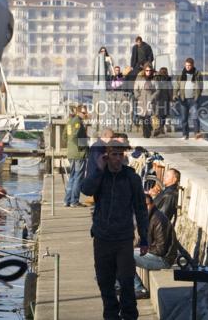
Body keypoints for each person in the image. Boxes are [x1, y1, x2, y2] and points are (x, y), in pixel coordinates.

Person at [81, 141, 149, 320]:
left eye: (121, 155)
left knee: (127, 282)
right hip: (102, 238)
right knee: (105, 282)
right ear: (106, 156)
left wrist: (144, 238)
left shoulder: (131, 178)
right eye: (114, 155)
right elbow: (86, 190)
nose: (118, 159)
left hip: (124, 239)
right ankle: (111, 316)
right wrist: (98, 169)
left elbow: (141, 208)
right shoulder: (100, 176)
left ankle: (130, 316)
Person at [133, 194, 178, 299]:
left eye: (146, 205)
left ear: (152, 204)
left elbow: (160, 250)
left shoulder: (158, 220)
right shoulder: (147, 218)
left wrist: (141, 249)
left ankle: (139, 289)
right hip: (155, 254)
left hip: (163, 259)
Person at [63, 104, 88, 207]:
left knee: (72, 177)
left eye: (85, 112)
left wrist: (70, 146)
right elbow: (74, 136)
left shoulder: (70, 122)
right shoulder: (77, 122)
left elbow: (65, 136)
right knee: (78, 177)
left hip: (71, 152)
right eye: (83, 112)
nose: (85, 114)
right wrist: (82, 147)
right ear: (78, 112)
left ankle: (67, 200)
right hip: (78, 154)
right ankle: (74, 201)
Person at [174, 58, 203, 140]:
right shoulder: (181, 75)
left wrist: (198, 95)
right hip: (183, 99)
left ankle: (197, 134)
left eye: (189, 65)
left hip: (193, 100)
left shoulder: (197, 74)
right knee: (184, 118)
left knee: (195, 117)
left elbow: (201, 86)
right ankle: (185, 135)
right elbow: (176, 85)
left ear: (193, 65)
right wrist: (175, 95)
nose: (188, 67)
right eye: (186, 65)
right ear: (184, 65)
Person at [134, 63, 157, 138]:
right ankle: (146, 130)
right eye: (147, 70)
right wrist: (137, 95)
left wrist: (153, 97)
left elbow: (158, 90)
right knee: (143, 116)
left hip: (150, 98)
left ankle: (147, 133)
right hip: (141, 98)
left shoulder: (154, 78)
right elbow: (135, 88)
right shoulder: (140, 78)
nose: (148, 72)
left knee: (148, 115)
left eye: (150, 70)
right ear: (144, 70)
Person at [153, 67, 173, 137]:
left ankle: (159, 128)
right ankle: (160, 128)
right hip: (164, 99)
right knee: (163, 115)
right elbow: (170, 90)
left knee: (159, 115)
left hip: (158, 99)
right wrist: (171, 99)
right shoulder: (168, 79)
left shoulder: (156, 79)